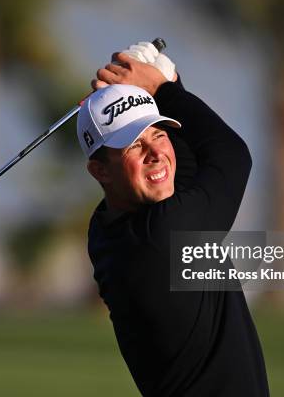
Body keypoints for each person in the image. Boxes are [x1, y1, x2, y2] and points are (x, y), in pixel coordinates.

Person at [77, 42, 269, 396]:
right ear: (99, 170)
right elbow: (231, 156)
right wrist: (163, 89)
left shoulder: (106, 226)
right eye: (133, 144)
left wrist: (160, 86)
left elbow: (185, 162)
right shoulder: (164, 237)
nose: (155, 153)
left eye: (158, 133)